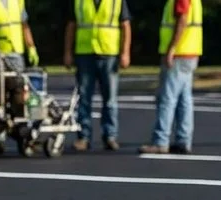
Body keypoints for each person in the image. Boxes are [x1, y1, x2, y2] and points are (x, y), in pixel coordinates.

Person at [64, 0, 132, 152]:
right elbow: (71, 26)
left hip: (109, 54)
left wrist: (125, 53)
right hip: (85, 53)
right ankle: (84, 137)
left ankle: (110, 136)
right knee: (84, 98)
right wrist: (68, 52)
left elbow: (125, 25)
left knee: (110, 99)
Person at [138, 0, 204, 155]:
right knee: (184, 99)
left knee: (167, 98)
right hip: (190, 51)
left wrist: (171, 48)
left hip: (179, 53)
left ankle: (161, 141)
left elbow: (182, 19)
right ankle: (183, 140)